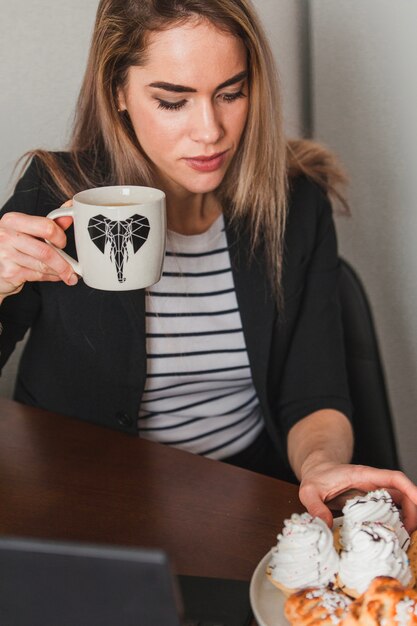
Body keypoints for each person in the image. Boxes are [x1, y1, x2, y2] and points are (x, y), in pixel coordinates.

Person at [0, 0, 416, 529]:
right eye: (173, 101)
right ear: (118, 93)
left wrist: (322, 467)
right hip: (87, 507)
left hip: (249, 498)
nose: (210, 131)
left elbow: (313, 390)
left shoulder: (293, 204)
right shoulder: (54, 194)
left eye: (231, 93)